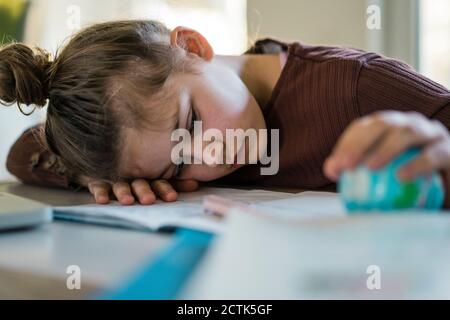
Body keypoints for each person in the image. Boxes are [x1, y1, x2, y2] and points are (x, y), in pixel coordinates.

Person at [2, 20, 450, 206]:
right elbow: (21, 156)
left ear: (193, 48)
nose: (213, 156)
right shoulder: (142, 147)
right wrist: (95, 175)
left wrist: (441, 149)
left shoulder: (357, 86)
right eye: (178, 163)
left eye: (191, 123)